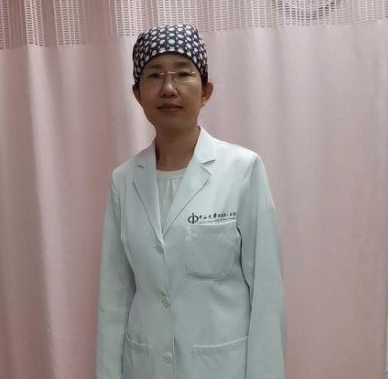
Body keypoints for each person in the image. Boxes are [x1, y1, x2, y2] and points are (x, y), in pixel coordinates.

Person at [95, 23, 285, 379]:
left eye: (183, 73)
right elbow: (114, 298)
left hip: (222, 368)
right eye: (154, 75)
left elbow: (267, 294)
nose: (168, 88)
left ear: (206, 90)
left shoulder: (242, 170)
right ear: (138, 94)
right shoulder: (124, 181)